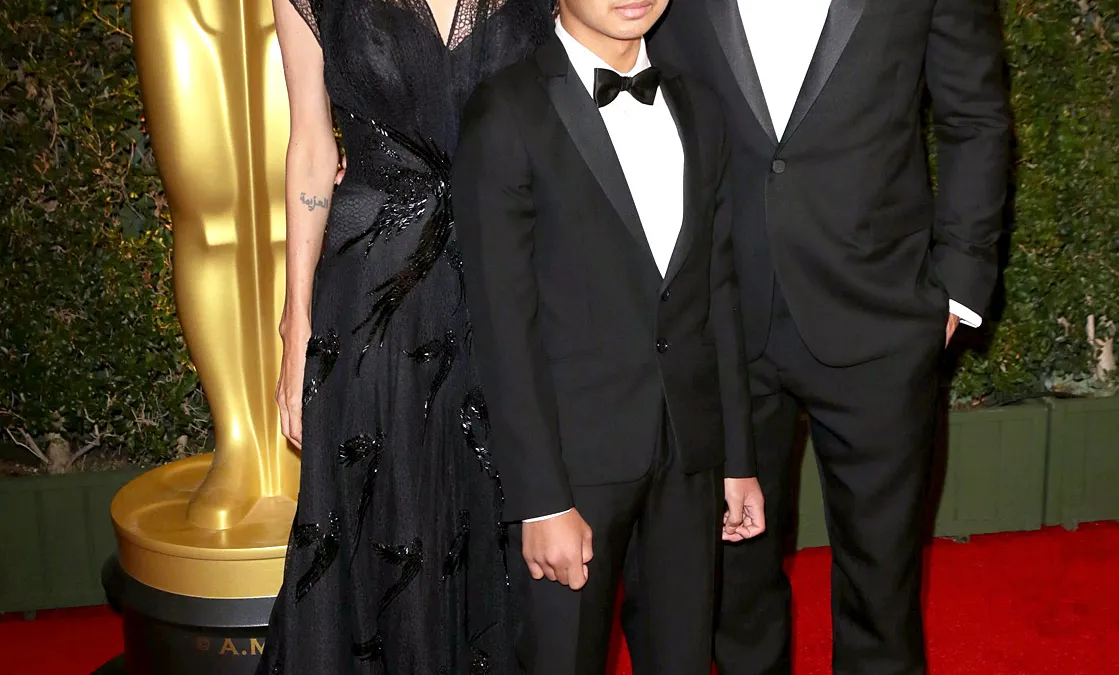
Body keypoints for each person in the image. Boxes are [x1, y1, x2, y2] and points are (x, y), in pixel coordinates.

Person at [649, 1, 1011, 673]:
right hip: (720, 310)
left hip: (880, 308)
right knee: (731, 579)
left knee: (882, 581)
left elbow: (974, 116)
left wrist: (959, 283)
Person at [452, 1, 765, 673]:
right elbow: (502, 326)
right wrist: (541, 498)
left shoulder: (700, 107)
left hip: (687, 451)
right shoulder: (506, 111)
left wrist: (736, 457)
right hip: (573, 463)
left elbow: (719, 295)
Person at [259, 0, 556, 673]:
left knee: (504, 508)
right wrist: (294, 321)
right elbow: (311, 145)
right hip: (369, 294)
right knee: (386, 517)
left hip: (508, 276)